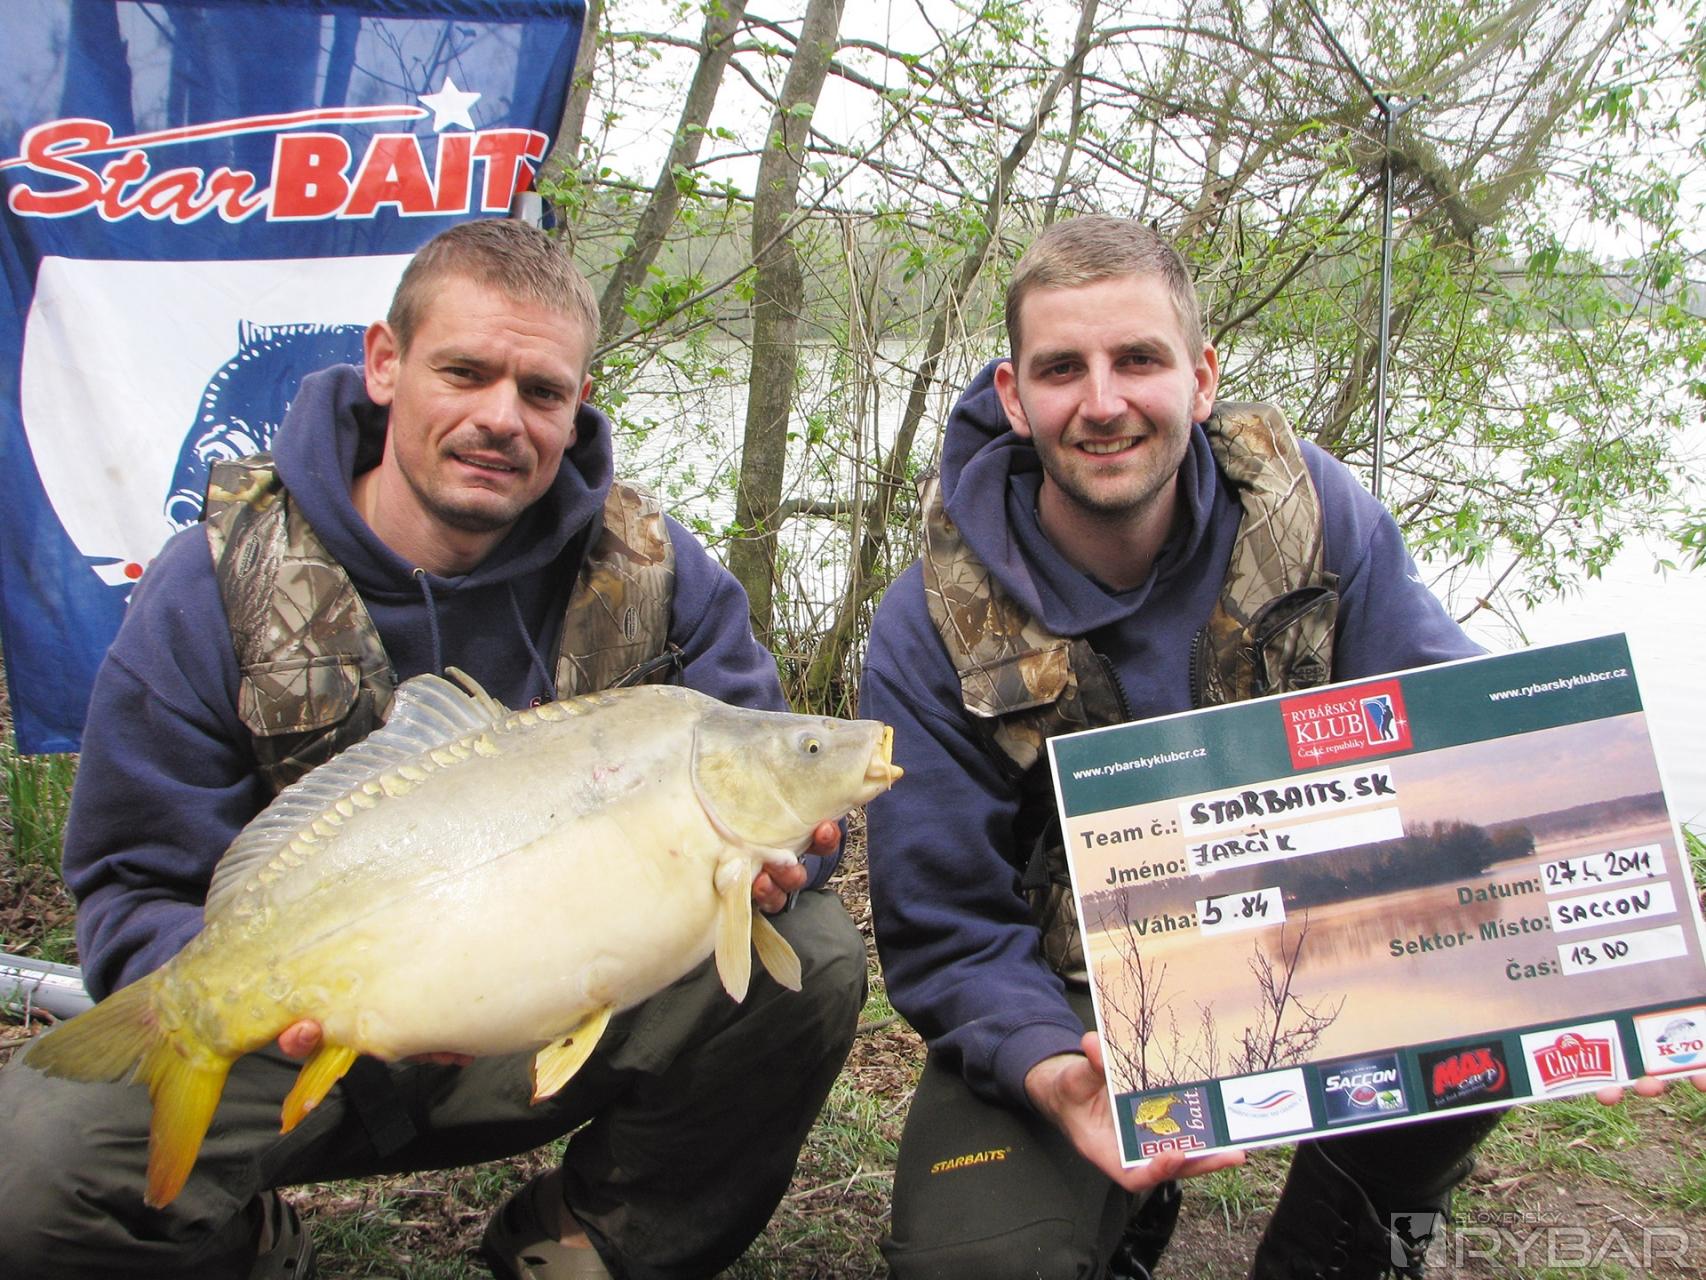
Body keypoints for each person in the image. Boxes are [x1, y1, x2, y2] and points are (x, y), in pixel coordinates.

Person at [0, 219, 867, 1280]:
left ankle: (583, 1247)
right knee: (31, 1171)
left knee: (813, 957)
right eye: (464, 372)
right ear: (384, 362)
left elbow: (770, 771)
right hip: (310, 1028)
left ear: (578, 404)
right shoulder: (215, 578)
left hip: (566, 993)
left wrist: (797, 855)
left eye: (541, 391)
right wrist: (272, 1004)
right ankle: (245, 1246)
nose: (500, 417)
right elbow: (133, 882)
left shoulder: (654, 569)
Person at [860, 215, 1508, 1280]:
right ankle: (1118, 1206)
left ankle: (1341, 1244)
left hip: (1318, 923)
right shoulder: (931, 617)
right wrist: (1046, 1066)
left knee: (1483, 988)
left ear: (1200, 378)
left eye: (1138, 360)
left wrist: (1615, 934)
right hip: (1078, 982)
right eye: (1061, 369)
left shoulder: (1308, 511)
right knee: (974, 1263)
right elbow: (947, 925)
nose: (1102, 402)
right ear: (1013, 396)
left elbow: (1457, 734)